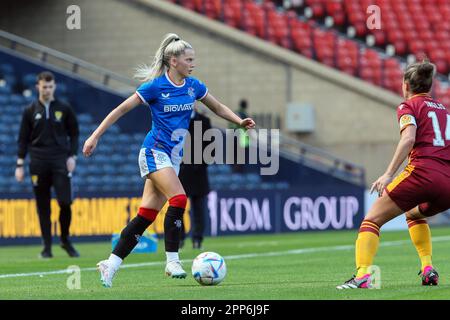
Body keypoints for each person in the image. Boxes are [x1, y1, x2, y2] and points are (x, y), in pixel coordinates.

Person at [82, 33, 255, 288]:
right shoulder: (155, 87)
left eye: (193, 60)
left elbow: (217, 107)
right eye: (189, 59)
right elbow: (121, 109)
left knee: (146, 215)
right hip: (153, 152)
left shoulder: (193, 86)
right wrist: (95, 136)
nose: (193, 64)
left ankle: (111, 263)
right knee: (179, 198)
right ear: (173, 61)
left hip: (173, 158)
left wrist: (238, 122)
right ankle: (172, 260)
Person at [337, 60, 449, 289]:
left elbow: (408, 138)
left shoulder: (408, 106)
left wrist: (388, 174)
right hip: (447, 182)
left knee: (372, 220)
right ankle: (428, 268)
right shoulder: (445, 112)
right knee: (414, 215)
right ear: (430, 86)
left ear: (406, 85)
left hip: (421, 173)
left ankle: (362, 276)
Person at [15, 71, 80, 259]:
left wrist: (72, 156)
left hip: (60, 160)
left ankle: (65, 240)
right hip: (38, 162)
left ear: (54, 87)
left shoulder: (64, 108)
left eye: (50, 87)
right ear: (38, 87)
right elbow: (22, 139)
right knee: (43, 206)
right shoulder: (30, 110)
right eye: (44, 86)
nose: (47, 90)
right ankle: (46, 247)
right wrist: (19, 164)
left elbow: (74, 133)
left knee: (65, 202)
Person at [178, 105, 212, 250]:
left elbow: (211, 145)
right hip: (181, 170)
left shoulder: (204, 120)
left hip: (198, 172)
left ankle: (197, 239)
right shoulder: (177, 119)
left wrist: (201, 163)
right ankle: (179, 238)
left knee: (199, 208)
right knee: (178, 207)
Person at [229, 99, 250, 173]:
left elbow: (230, 126)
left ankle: (234, 173)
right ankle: (238, 174)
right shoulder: (244, 115)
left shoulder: (235, 113)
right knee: (241, 159)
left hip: (233, 138)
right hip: (242, 139)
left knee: (234, 158)